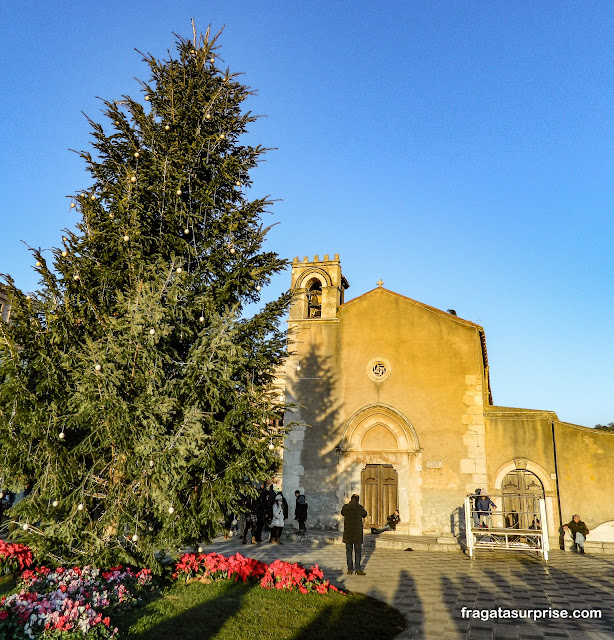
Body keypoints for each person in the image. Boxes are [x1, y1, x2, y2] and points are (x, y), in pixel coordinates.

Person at [341, 494, 367, 575]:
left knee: (349, 551)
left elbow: (342, 513)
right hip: (357, 533)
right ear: (357, 500)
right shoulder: (359, 507)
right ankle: (358, 569)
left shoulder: (346, 507)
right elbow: (365, 514)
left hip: (348, 533)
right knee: (358, 551)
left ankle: (350, 569)